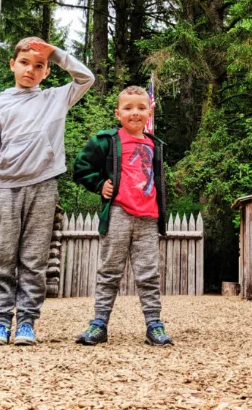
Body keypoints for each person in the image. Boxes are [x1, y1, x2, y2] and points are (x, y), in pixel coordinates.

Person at [0, 37, 94, 346]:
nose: (30, 70)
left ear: (46, 72)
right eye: (24, 63)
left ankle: (27, 322)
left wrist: (56, 54)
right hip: (7, 187)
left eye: (38, 66)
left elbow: (87, 78)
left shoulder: (54, 99)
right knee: (4, 256)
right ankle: (1, 321)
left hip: (43, 185)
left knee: (34, 257)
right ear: (12, 65)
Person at [72, 85, 174, 347]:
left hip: (149, 218)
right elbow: (81, 167)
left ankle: (154, 324)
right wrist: (99, 184)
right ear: (118, 113)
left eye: (141, 107)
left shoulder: (155, 144)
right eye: (128, 108)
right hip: (118, 214)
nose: (135, 112)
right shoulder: (107, 140)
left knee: (149, 274)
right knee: (109, 271)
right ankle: (99, 324)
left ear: (149, 111)